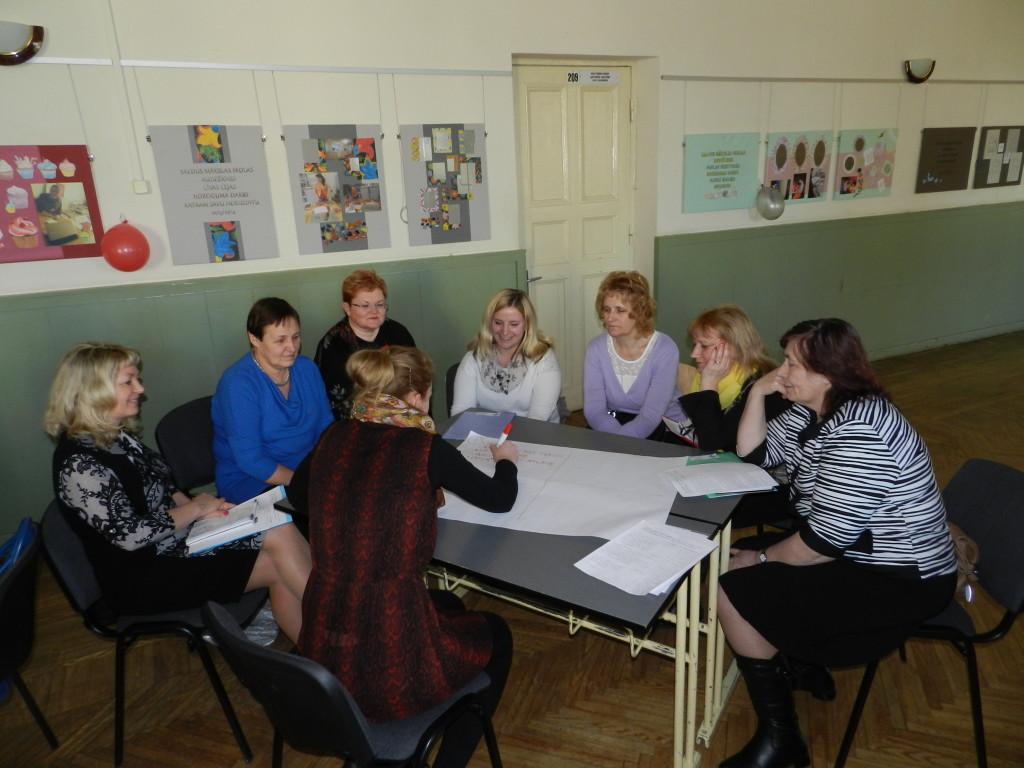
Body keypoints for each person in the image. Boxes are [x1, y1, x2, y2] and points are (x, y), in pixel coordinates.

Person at [717, 318, 958, 768]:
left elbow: (820, 544)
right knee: (739, 567)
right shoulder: (817, 407)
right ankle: (802, 663)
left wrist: (761, 557)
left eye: (792, 363)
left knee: (731, 586)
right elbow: (755, 455)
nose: (781, 371)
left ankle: (781, 741)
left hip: (902, 578)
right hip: (855, 551)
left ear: (828, 373)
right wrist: (758, 393)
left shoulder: (861, 430)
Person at [289, 346, 517, 768]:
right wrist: (506, 462)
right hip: (391, 657)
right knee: (497, 634)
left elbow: (299, 496)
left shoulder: (334, 435)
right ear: (415, 398)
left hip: (326, 641)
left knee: (448, 604)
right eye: (428, 397)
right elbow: (500, 499)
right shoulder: (424, 447)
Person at [45, 343, 311, 642]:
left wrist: (205, 510)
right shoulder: (79, 464)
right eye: (128, 381)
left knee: (279, 525)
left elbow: (166, 485)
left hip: (175, 543)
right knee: (277, 562)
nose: (140, 388)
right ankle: (333, 634)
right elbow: (130, 536)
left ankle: (325, 642)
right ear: (95, 390)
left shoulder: (115, 436)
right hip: (142, 577)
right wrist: (197, 509)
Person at [212, 297, 332, 504]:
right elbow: (251, 461)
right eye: (280, 340)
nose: (292, 347)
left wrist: (331, 469)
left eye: (295, 337)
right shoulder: (238, 385)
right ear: (255, 339)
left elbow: (326, 429)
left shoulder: (307, 369)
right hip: (252, 479)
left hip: (306, 470)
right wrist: (307, 482)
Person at [583, 270, 686, 439]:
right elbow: (594, 409)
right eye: (607, 310)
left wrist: (621, 442)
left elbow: (650, 416)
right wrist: (617, 437)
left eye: (620, 310)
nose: (610, 318)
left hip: (664, 427)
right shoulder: (596, 348)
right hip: (615, 425)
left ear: (639, 312)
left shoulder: (665, 349)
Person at [676, 304, 789, 452]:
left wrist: (709, 384)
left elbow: (711, 444)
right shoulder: (703, 378)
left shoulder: (766, 388)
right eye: (694, 345)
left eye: (704, 346)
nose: (694, 354)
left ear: (735, 348)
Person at [314, 269, 416, 420]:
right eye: (365, 305)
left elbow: (416, 379)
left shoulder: (398, 333)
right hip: (357, 420)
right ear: (347, 308)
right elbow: (338, 404)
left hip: (403, 414)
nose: (374, 311)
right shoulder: (333, 345)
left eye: (380, 304)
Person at [451, 288, 562, 422]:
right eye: (498, 323)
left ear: (527, 325)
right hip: (486, 432)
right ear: (489, 323)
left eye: (514, 324)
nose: (504, 331)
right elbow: (461, 411)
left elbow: (538, 417)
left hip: (534, 430)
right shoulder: (474, 358)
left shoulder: (543, 359)